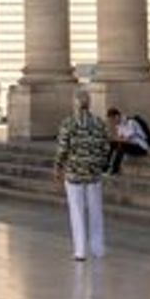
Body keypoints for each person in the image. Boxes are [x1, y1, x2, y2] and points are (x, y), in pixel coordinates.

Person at [54, 90, 110, 262]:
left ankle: (80, 251)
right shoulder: (99, 123)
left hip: (74, 172)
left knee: (76, 211)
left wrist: (58, 166)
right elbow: (106, 147)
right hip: (94, 172)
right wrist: (99, 164)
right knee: (95, 210)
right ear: (90, 103)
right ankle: (98, 248)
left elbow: (63, 148)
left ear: (76, 103)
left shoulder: (68, 123)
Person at [107, 108, 150, 175]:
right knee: (111, 144)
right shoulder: (119, 125)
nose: (112, 122)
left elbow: (127, 139)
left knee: (121, 146)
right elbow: (120, 138)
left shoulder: (130, 122)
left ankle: (114, 170)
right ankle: (106, 167)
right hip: (131, 146)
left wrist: (114, 138)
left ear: (117, 116)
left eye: (112, 119)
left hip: (140, 147)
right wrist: (114, 139)